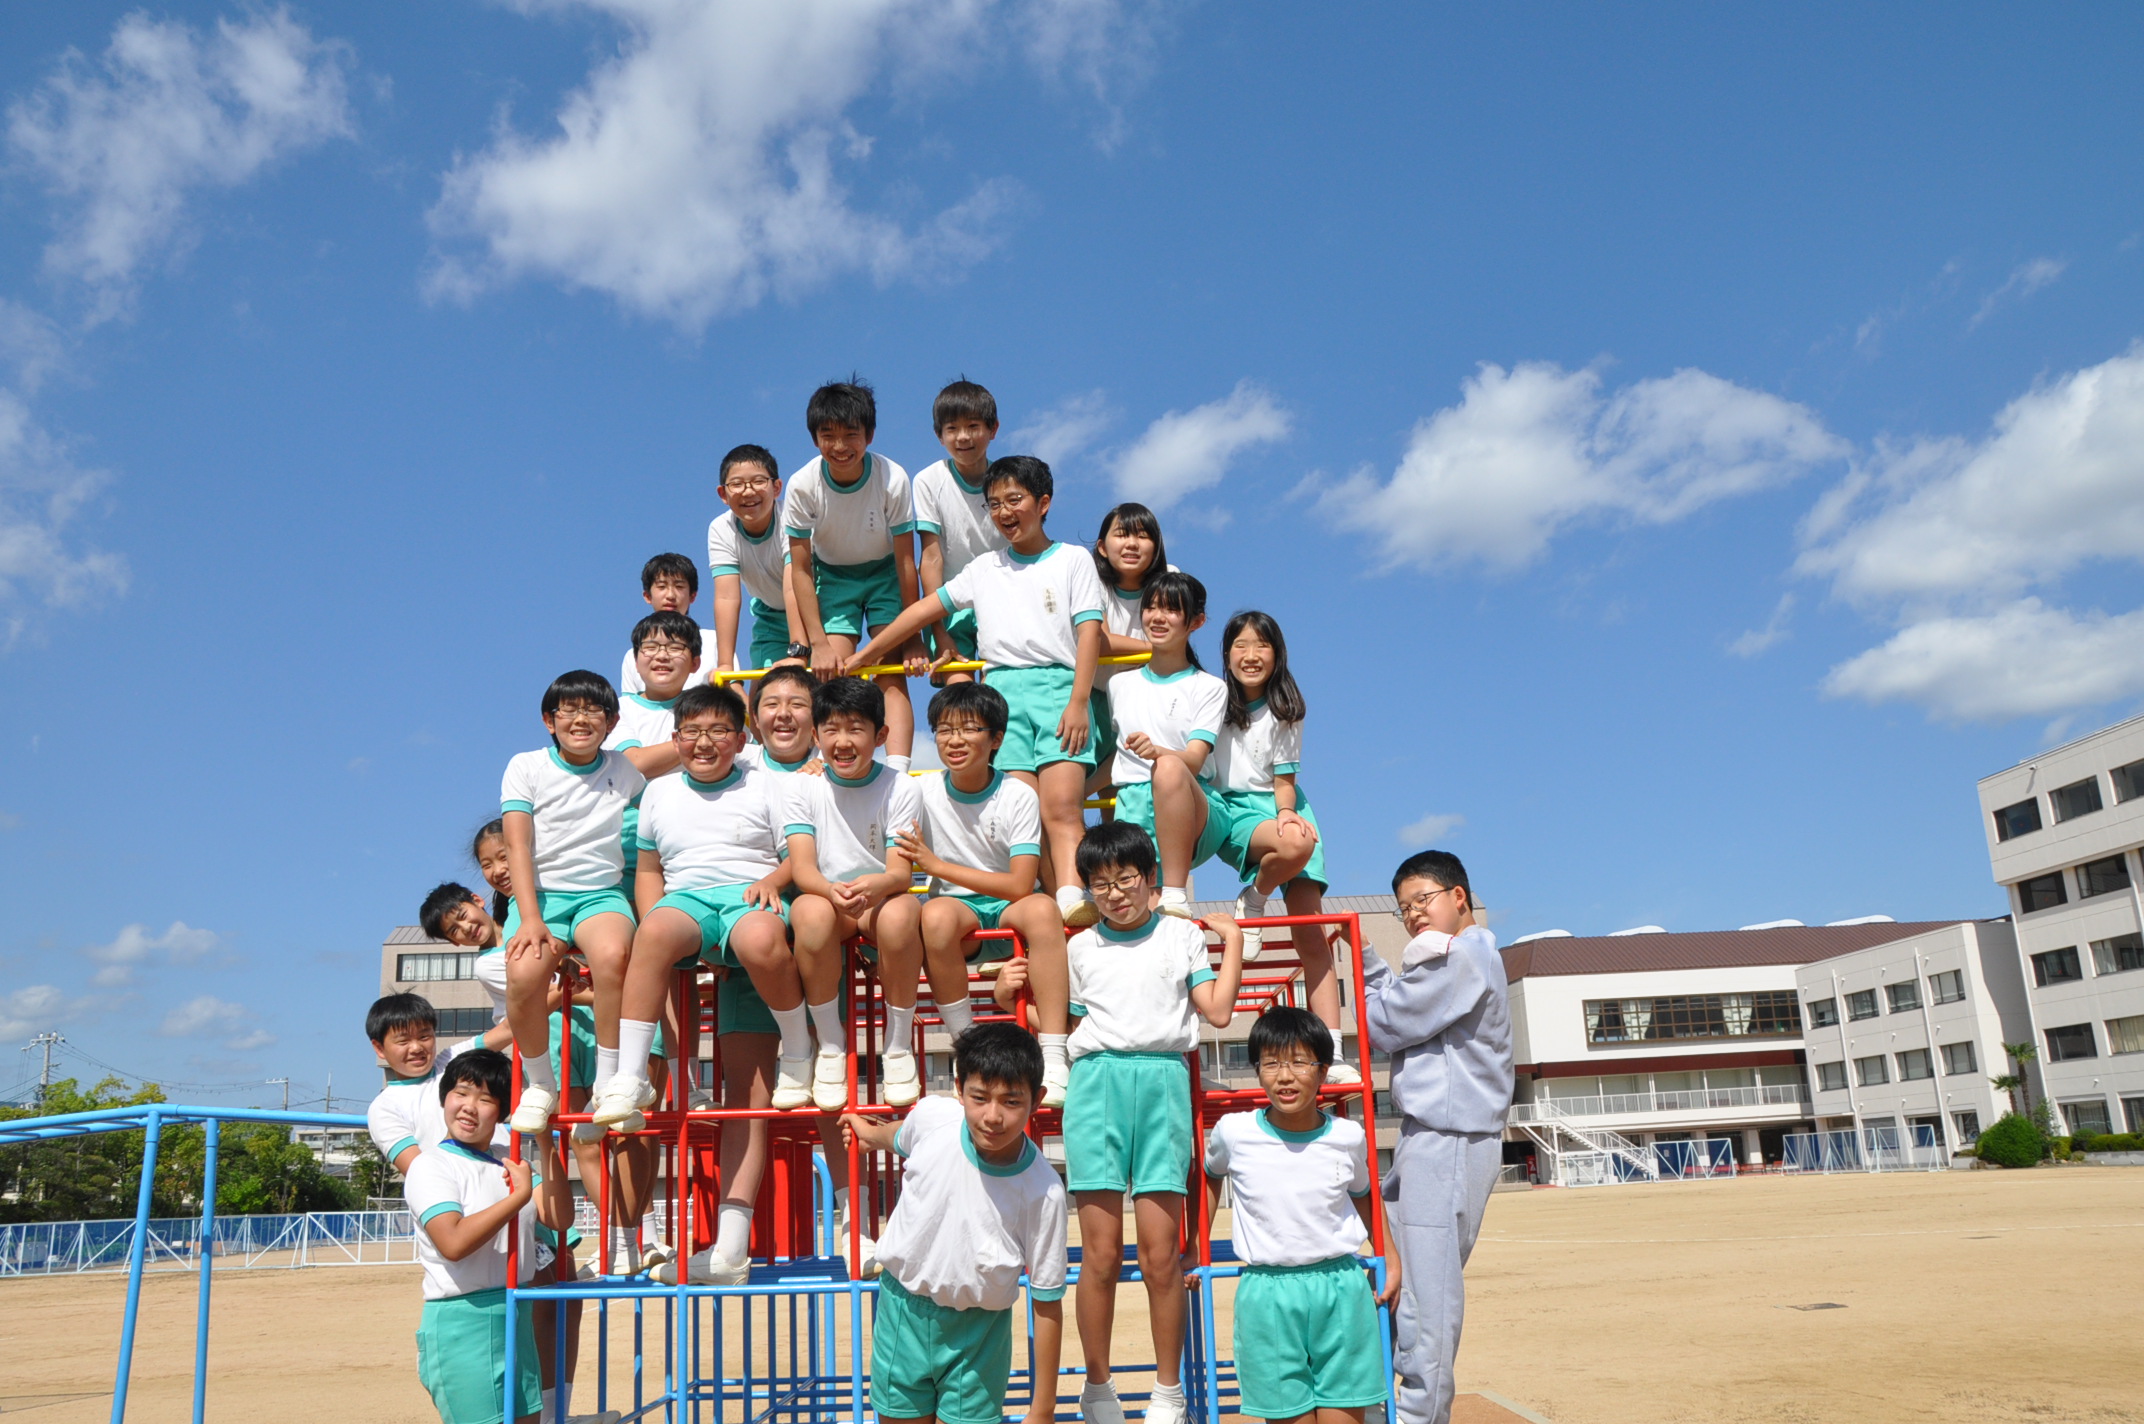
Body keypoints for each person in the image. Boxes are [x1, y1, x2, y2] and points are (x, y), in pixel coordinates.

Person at [843, 454, 1104, 926]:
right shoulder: (985, 568)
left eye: (1015, 500)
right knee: (1025, 810)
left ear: (1043, 503)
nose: (1004, 512)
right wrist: (867, 654)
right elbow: (922, 611)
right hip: (1001, 695)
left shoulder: (1073, 559)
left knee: (1063, 808)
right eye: (994, 504)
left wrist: (1079, 701)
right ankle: (1047, 904)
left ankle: (1071, 897)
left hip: (1058, 688)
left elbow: (1089, 634)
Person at [1062, 820, 1244, 1424]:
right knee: (1100, 1254)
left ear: (1151, 879)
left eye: (1126, 879)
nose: (1115, 893)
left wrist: (1233, 943)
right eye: (1101, 883)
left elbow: (1218, 1012)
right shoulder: (1079, 947)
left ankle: (1168, 1393)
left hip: (1164, 1080)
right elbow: (1070, 1021)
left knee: (1162, 1254)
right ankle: (1098, 1390)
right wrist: (1014, 992)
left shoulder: (1181, 935)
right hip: (1096, 1084)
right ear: (1088, 889)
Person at [840, 1023, 1066, 1424]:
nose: (992, 1116)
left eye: (1011, 1101)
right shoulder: (934, 1118)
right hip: (902, 1312)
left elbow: (1047, 1300)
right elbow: (901, 1136)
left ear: (1037, 1100)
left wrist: (1043, 1409)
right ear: (959, 1090)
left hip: (979, 1334)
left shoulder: (1043, 1191)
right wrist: (870, 1135)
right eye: (979, 1098)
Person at [1361, 851, 1513, 1424]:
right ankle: (1399, 1405)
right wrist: (1369, 964)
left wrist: (1365, 969)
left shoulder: (1463, 955)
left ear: (1459, 896)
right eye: (1404, 908)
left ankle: (1420, 1414)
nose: (1413, 914)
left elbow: (1385, 1024)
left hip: (1448, 1137)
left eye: (1422, 899)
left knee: (1427, 1294)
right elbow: (1399, 1007)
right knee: (1403, 1280)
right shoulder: (1453, 960)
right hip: (1434, 1137)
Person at [1200, 1007, 1398, 1424]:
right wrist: (1193, 1249)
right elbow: (1209, 1177)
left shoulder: (1347, 1136)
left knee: (1345, 1412)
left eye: (1300, 1063)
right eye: (1271, 1063)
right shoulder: (1235, 1133)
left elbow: (1364, 1194)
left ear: (1323, 1071)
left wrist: (1391, 1258)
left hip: (1340, 1287)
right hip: (1267, 1292)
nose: (1285, 1077)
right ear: (1257, 1071)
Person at [898, 682, 1072, 1106]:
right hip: (957, 911)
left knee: (1043, 910)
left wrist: (937, 866)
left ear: (995, 739)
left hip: (1009, 904)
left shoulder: (1017, 793)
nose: (954, 740)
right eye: (944, 730)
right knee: (935, 916)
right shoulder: (922, 791)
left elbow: (1019, 883)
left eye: (969, 729)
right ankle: (965, 1043)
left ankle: (1054, 1054)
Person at [498, 670, 645, 1133]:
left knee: (613, 956)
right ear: (549, 720)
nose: (581, 719)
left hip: (600, 894)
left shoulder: (623, 769)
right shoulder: (526, 766)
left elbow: (680, 764)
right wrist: (530, 918)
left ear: (612, 721)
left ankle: (609, 1079)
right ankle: (541, 1083)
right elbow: (517, 845)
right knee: (524, 975)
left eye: (594, 710)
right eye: (569, 710)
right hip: (541, 895)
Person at [1211, 611, 1355, 1079]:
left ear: (1277, 654)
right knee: (1292, 846)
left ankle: (1332, 1053)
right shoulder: (1211, 700)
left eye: (1262, 646)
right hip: (1235, 809)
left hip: (1282, 805)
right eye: (1241, 645)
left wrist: (1288, 813)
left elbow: (1284, 781)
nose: (1251, 655)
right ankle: (1256, 896)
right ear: (1226, 654)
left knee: (1311, 936)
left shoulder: (1286, 710)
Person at [402, 1048, 572, 1424]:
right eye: (461, 1093)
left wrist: (545, 1141)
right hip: (464, 1320)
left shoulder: (508, 1161)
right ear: (444, 1097)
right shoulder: (431, 1165)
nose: (469, 1107)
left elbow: (560, 1217)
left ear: (503, 1112)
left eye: (486, 1099)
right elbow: (453, 1242)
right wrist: (518, 1197)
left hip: (517, 1312)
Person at [783, 676, 925, 1109]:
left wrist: (877, 885)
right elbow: (803, 869)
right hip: (829, 900)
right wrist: (832, 890)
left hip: (882, 900)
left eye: (856, 729)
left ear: (880, 736)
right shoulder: (801, 786)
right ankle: (830, 1044)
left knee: (902, 915)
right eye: (831, 730)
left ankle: (897, 1045)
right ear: (815, 736)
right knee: (807, 912)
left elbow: (900, 873)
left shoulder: (902, 786)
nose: (842, 742)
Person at [781, 377, 924, 768]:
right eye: (828, 435)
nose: (840, 445)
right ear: (815, 439)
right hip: (833, 576)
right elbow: (801, 568)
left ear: (869, 436)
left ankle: (898, 768)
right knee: (832, 671)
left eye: (850, 435)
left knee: (889, 671)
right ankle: (832, 762)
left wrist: (913, 636)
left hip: (884, 574)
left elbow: (906, 561)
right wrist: (818, 642)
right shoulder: (803, 485)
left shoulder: (892, 478)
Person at [1103, 572, 1230, 918]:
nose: (1158, 617)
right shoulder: (1119, 685)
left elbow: (1194, 759)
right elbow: (1121, 756)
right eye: (1151, 607)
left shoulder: (1209, 687)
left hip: (1192, 802)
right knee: (1138, 920)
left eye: (1172, 610)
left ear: (1196, 622)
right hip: (1133, 804)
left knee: (1170, 768)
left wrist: (1158, 752)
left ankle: (1176, 892)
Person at [911, 379, 1005, 682]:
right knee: (959, 690)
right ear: (939, 435)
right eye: (952, 428)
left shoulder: (1008, 480)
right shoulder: (928, 480)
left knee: (999, 688)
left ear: (993, 429)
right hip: (950, 603)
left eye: (973, 426)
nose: (963, 437)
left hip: (1002, 598)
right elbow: (931, 557)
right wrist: (937, 628)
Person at [1087, 502, 1171, 794]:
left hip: (1144, 695)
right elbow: (1100, 641)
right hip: (1094, 693)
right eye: (1122, 534)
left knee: (1123, 792)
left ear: (1156, 546)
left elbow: (1177, 636)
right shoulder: (1091, 579)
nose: (1132, 544)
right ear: (1102, 546)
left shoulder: (1169, 578)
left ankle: (1084, 792)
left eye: (1143, 536)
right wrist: (1154, 648)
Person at [706, 444, 808, 674]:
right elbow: (726, 598)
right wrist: (725, 666)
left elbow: (793, 585)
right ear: (723, 494)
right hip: (771, 615)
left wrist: (798, 650)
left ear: (777, 487)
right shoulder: (721, 529)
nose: (748, 491)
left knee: (824, 679)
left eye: (758, 481)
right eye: (737, 484)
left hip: (816, 607)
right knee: (764, 689)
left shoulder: (790, 516)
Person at [619, 554, 714, 695]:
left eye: (679, 586)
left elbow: (734, 691)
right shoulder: (634, 656)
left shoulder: (714, 642)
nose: (670, 595)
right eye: (662, 586)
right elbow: (631, 704)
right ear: (647, 596)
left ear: (692, 596)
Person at [739, 663, 821, 775]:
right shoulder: (735, 763)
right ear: (756, 718)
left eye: (797, 704)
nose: (783, 713)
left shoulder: (830, 766)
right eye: (772, 704)